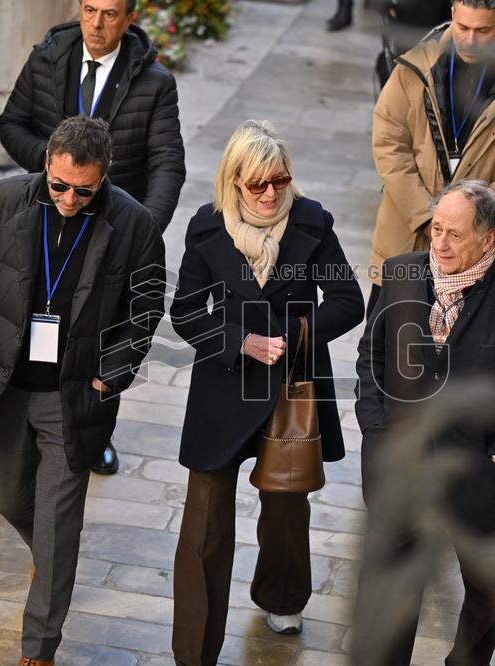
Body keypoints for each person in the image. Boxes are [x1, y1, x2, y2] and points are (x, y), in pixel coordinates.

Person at [0, 115, 165, 665]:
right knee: (11, 499)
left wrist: (106, 378)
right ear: (47, 163)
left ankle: (39, 648)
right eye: (60, 185)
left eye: (84, 190)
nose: (70, 199)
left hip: (75, 396)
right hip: (6, 386)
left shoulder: (134, 225)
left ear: (104, 176)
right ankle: (50, 559)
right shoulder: (5, 202)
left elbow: (145, 311)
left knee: (56, 517)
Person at [170, 120, 364, 665]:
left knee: (285, 503)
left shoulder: (312, 222)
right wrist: (241, 342)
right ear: (234, 181)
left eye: (280, 180)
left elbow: (349, 300)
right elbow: (185, 311)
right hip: (224, 383)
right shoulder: (206, 228)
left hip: (292, 386)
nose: (271, 192)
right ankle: (193, 649)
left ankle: (283, 597)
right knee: (205, 521)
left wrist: (296, 335)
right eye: (257, 183)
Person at [356, 180, 495, 665]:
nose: (441, 244)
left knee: (486, 598)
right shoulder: (400, 273)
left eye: (455, 235)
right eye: (437, 230)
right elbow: (372, 356)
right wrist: (378, 430)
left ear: (488, 238)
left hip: (483, 479)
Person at [0, 0, 185, 476]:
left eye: (109, 13)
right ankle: (29, 419)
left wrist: (144, 228)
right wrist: (61, 166)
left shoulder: (154, 82)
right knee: (40, 313)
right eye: (89, 10)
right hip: (46, 218)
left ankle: (95, 432)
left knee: (101, 331)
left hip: (110, 231)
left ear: (129, 19)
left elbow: (167, 161)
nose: (96, 24)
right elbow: (10, 124)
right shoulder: (47, 58)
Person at [369, 0, 495, 314]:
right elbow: (389, 145)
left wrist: (470, 221)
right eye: (463, 27)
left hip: (481, 252)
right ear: (453, 15)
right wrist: (429, 219)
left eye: (482, 30)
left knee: (467, 359)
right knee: (387, 351)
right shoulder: (413, 68)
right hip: (408, 240)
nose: (470, 40)